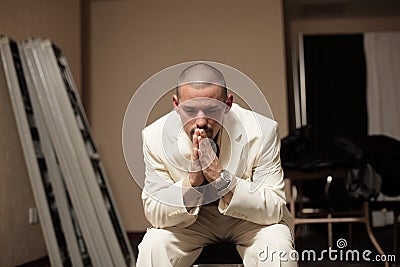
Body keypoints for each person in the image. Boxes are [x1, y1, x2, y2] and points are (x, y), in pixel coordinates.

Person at [136, 63, 297, 267]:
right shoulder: (154, 137)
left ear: (228, 103)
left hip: (249, 219)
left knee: (277, 246)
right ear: (176, 104)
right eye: (190, 110)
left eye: (212, 109)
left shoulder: (262, 131)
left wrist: (221, 178)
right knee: (154, 245)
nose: (201, 121)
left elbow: (274, 207)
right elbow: (154, 213)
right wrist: (192, 182)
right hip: (194, 222)